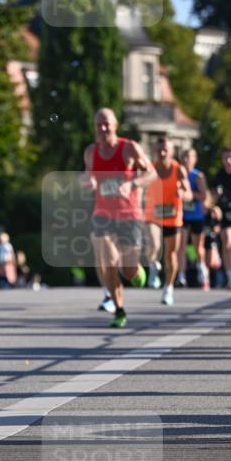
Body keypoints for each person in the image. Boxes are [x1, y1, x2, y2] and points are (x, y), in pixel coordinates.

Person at [81, 108, 156, 328]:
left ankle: (137, 271)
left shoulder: (129, 148)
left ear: (115, 125)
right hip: (102, 214)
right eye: (98, 125)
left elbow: (151, 172)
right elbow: (89, 177)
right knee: (108, 262)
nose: (103, 128)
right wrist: (89, 183)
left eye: (106, 124)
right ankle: (119, 309)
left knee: (129, 270)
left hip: (129, 215)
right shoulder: (90, 152)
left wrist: (133, 183)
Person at [143, 136, 192, 306]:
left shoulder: (179, 170)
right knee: (154, 245)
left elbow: (189, 194)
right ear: (155, 151)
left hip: (173, 218)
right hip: (153, 216)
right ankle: (153, 266)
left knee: (171, 255)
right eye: (159, 150)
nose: (162, 153)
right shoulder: (151, 168)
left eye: (165, 150)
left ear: (172, 152)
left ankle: (168, 288)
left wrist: (182, 194)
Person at [178, 147, 209, 290]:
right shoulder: (177, 174)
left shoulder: (198, 176)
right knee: (181, 246)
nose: (186, 160)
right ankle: (181, 276)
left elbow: (204, 196)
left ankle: (203, 272)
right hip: (182, 215)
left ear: (194, 159)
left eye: (189, 157)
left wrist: (189, 195)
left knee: (198, 247)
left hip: (196, 215)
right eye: (183, 156)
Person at [212, 146, 231, 290]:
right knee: (227, 242)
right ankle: (230, 278)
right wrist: (214, 203)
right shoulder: (218, 177)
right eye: (225, 158)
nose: (227, 161)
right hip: (226, 217)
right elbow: (210, 200)